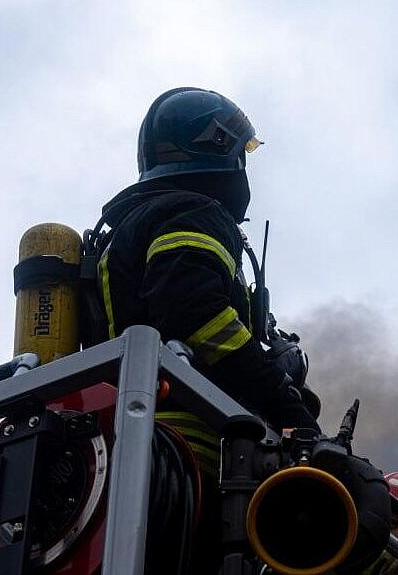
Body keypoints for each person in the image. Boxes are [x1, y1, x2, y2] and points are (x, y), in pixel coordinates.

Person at [92, 86, 320, 435]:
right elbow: (196, 314)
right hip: (190, 436)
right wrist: (281, 400)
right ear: (217, 144)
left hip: (134, 432)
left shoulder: (135, 224)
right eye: (241, 153)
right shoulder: (192, 212)